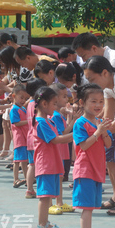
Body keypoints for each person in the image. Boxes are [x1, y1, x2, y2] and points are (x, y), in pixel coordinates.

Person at [83, 55, 115, 215]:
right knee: (110, 158)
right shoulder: (108, 86)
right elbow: (107, 116)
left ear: (104, 73)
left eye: (91, 78)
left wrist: (98, 133)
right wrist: (100, 131)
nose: (90, 83)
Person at [72, 83, 113, 228]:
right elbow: (84, 145)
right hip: (85, 169)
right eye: (93, 101)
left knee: (91, 207)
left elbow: (108, 144)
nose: (98, 105)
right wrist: (98, 132)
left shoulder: (99, 121)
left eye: (101, 101)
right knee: (87, 208)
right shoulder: (80, 124)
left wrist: (104, 132)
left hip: (97, 169)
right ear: (82, 102)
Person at [33, 86, 74, 228]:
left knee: (48, 196)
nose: (56, 106)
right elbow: (56, 139)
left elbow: (60, 136)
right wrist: (77, 134)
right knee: (45, 198)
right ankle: (42, 225)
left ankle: (45, 223)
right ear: (44, 104)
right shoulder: (41, 122)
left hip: (51, 164)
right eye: (54, 103)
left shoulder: (47, 121)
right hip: (46, 165)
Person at [49, 82, 81, 214]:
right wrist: (74, 120)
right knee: (57, 177)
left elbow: (64, 128)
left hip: (61, 151)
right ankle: (54, 203)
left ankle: (59, 202)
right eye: (63, 96)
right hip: (58, 151)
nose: (66, 99)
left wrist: (71, 118)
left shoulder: (58, 115)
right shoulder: (55, 116)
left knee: (60, 177)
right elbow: (63, 133)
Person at [25, 78, 47, 199]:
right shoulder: (40, 105)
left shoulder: (29, 103)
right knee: (39, 165)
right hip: (38, 139)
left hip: (29, 138)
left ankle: (29, 189)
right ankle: (40, 189)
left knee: (32, 165)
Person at [9, 84, 30, 189]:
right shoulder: (14, 109)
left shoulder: (22, 108)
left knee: (23, 160)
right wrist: (29, 121)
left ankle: (27, 178)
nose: (23, 100)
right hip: (19, 137)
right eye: (21, 97)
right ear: (14, 96)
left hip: (24, 137)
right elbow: (16, 123)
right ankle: (16, 179)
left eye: (25, 98)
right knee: (18, 160)